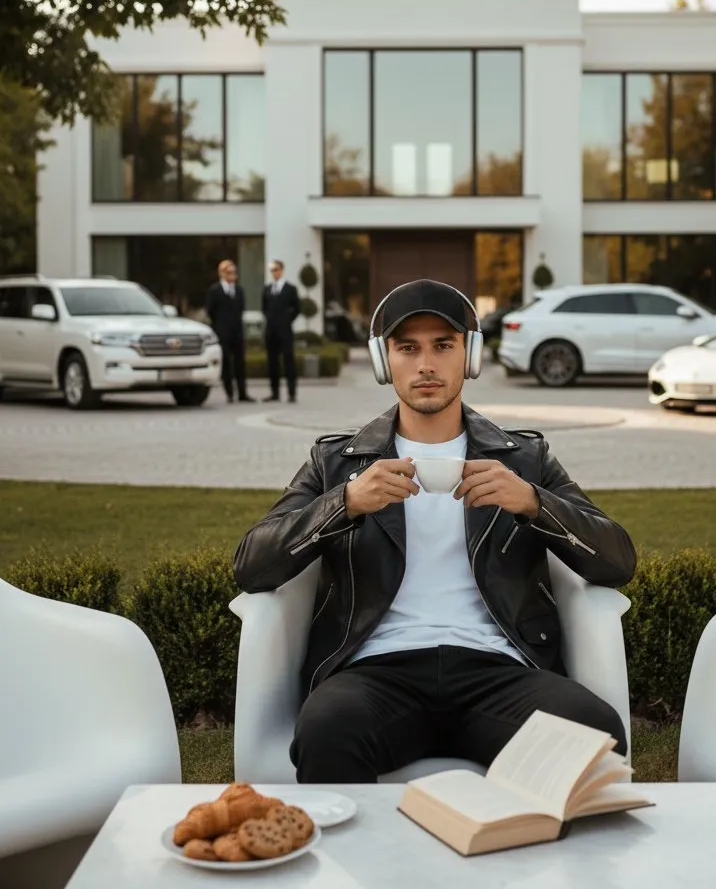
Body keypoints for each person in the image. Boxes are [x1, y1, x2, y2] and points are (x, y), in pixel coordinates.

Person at [233, 278, 637, 783]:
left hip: (498, 672)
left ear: (469, 356)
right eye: (408, 348)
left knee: (595, 731)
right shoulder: (338, 462)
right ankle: (364, 864)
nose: (426, 364)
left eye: (443, 346)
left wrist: (533, 503)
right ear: (385, 362)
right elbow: (251, 565)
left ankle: (523, 858)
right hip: (376, 672)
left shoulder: (524, 458)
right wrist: (345, 503)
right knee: (327, 729)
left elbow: (618, 560)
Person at [205, 260, 254, 404]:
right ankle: (230, 393)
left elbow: (241, 310)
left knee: (240, 363)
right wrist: (220, 326)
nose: (232, 275)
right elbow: (210, 311)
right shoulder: (215, 290)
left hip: (237, 332)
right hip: (222, 332)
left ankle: (243, 393)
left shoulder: (239, 291)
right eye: (229, 272)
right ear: (222, 274)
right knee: (226, 363)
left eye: (234, 272)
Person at [261, 259, 300, 403]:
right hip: (271, 331)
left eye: (276, 269)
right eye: (272, 270)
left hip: (285, 331)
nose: (274, 272)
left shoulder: (290, 289)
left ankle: (291, 392)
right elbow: (264, 308)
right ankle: (274, 392)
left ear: (282, 270)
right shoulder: (267, 289)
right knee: (272, 362)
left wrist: (287, 320)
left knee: (289, 361)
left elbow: (297, 308)